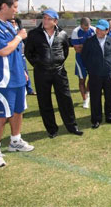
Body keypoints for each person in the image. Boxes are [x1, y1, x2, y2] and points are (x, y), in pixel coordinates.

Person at [0, 0, 34, 167]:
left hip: (17, 77)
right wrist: (19, 36)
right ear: (4, 6)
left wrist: (23, 71)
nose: (16, 11)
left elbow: (17, 52)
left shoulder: (8, 25)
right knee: (1, 115)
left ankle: (15, 141)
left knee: (18, 110)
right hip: (2, 80)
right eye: (15, 7)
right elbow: (3, 50)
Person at [25, 9, 83, 138]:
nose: (45, 20)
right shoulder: (34, 34)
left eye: (48, 18)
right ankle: (52, 130)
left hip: (59, 72)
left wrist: (57, 63)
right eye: (44, 18)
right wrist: (39, 64)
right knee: (44, 101)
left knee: (66, 100)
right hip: (41, 73)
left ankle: (72, 127)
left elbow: (65, 51)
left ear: (55, 21)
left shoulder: (62, 34)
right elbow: (29, 53)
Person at [81, 19, 111, 128]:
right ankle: (96, 119)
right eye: (97, 28)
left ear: (107, 30)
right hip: (94, 74)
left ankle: (110, 117)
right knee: (95, 98)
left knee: (109, 96)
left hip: (108, 74)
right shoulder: (89, 41)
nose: (98, 31)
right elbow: (84, 57)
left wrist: (108, 65)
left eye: (101, 29)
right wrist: (91, 68)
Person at [71, 17, 96, 108]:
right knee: (82, 79)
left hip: (92, 59)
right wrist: (89, 45)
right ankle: (85, 100)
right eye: (85, 28)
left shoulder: (93, 30)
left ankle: (88, 94)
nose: (87, 29)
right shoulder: (75, 31)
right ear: (81, 25)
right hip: (80, 59)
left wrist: (83, 46)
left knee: (92, 77)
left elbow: (97, 44)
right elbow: (76, 49)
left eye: (88, 27)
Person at [10, 18, 36, 95]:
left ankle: (29, 89)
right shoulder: (8, 30)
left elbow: (26, 41)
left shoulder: (20, 31)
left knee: (25, 72)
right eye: (11, 22)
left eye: (13, 22)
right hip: (11, 55)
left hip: (20, 55)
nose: (12, 23)